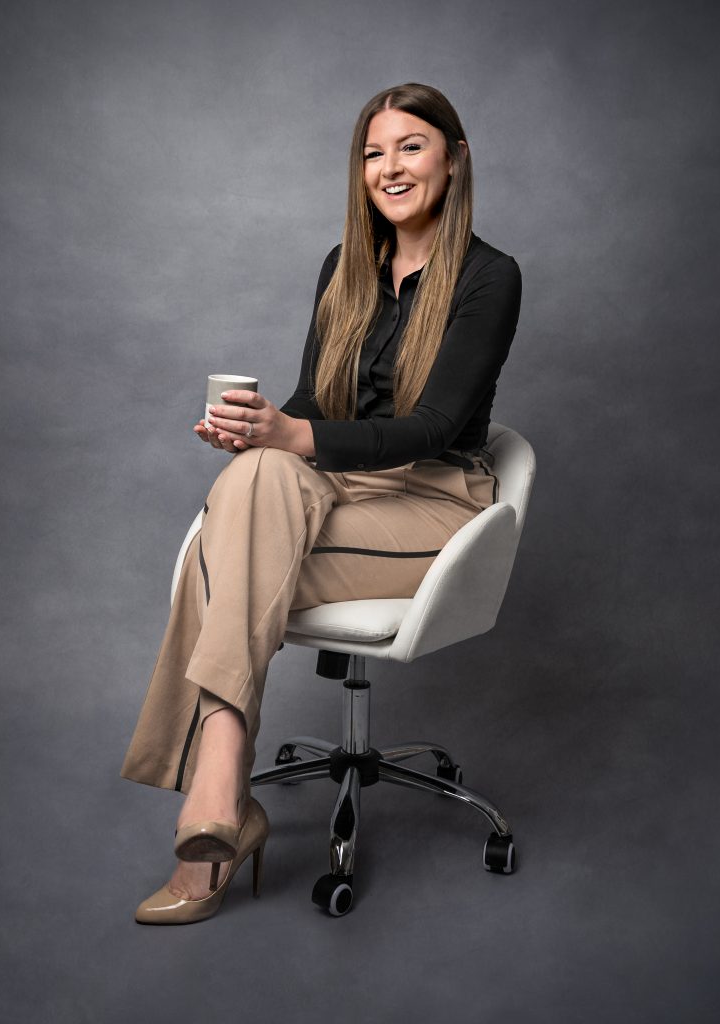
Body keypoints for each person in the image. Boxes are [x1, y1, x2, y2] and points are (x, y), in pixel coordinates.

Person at [121, 81, 522, 924]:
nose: (389, 168)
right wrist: (258, 431)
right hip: (341, 488)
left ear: (454, 158)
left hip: (434, 500)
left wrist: (294, 437)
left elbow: (430, 427)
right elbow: (313, 406)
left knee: (221, 556)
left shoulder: (490, 277)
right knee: (253, 477)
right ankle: (223, 791)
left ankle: (217, 793)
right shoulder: (344, 266)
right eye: (373, 153)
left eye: (410, 146)